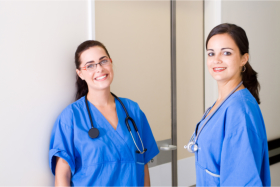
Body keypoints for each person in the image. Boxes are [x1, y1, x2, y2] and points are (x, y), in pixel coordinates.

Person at [49, 40, 159, 186]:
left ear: (111, 63)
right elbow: (62, 176)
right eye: (90, 65)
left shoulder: (133, 110)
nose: (99, 69)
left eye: (103, 61)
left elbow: (143, 163)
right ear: (80, 74)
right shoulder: (71, 117)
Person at [186, 23, 271, 186]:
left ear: (243, 58)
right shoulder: (223, 103)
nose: (216, 60)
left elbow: (242, 181)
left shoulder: (239, 110)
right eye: (211, 53)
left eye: (226, 53)